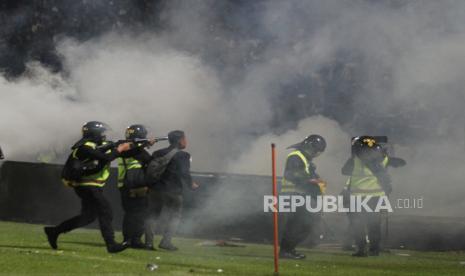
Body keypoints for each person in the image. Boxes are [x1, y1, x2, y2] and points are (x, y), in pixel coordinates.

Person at [44, 121, 131, 253]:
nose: (103, 136)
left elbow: (107, 152)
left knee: (88, 217)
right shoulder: (85, 147)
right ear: (94, 133)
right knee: (106, 211)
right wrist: (119, 149)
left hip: (88, 186)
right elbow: (105, 158)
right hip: (88, 186)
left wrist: (132, 145)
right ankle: (111, 244)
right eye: (101, 133)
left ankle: (54, 231)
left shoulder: (92, 146)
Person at [342, 136, 405, 257]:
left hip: (357, 197)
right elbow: (400, 163)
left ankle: (361, 250)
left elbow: (344, 171)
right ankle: (374, 250)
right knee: (373, 225)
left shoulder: (354, 160)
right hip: (375, 197)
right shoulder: (383, 159)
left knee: (358, 224)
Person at [145, 130, 198, 251]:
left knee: (152, 215)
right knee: (174, 216)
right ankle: (166, 242)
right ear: (180, 140)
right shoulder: (183, 155)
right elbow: (184, 172)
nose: (186, 141)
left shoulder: (157, 153)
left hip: (155, 189)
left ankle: (148, 243)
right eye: (185, 138)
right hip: (173, 190)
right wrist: (191, 184)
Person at [279, 134, 327, 259]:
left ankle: (288, 250)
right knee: (300, 224)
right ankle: (286, 250)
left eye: (318, 152)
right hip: (295, 195)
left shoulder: (304, 158)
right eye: (315, 150)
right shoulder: (296, 156)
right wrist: (313, 182)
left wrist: (316, 181)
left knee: (301, 225)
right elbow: (293, 175)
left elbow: (306, 175)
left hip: (300, 195)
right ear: (309, 146)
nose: (316, 153)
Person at [117, 124, 154, 248]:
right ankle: (134, 240)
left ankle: (129, 239)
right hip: (136, 185)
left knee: (131, 214)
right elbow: (148, 159)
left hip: (124, 185)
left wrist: (143, 144)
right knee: (139, 214)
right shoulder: (132, 149)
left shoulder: (125, 147)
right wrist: (145, 144)